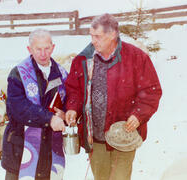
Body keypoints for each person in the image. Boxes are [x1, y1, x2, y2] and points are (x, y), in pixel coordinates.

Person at [65, 13, 162, 180]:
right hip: (95, 136)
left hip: (124, 134)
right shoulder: (83, 59)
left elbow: (151, 91)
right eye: (91, 36)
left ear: (113, 35)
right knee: (101, 177)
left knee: (120, 177)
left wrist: (138, 115)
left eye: (98, 36)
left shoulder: (136, 58)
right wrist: (72, 108)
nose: (93, 41)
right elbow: (74, 89)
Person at [2, 28, 67, 180]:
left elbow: (68, 101)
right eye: (38, 49)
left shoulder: (62, 74)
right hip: (20, 146)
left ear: (53, 47)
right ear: (29, 49)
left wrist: (65, 113)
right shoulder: (18, 74)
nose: (43, 53)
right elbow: (19, 109)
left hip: (50, 148)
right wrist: (49, 118)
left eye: (47, 48)